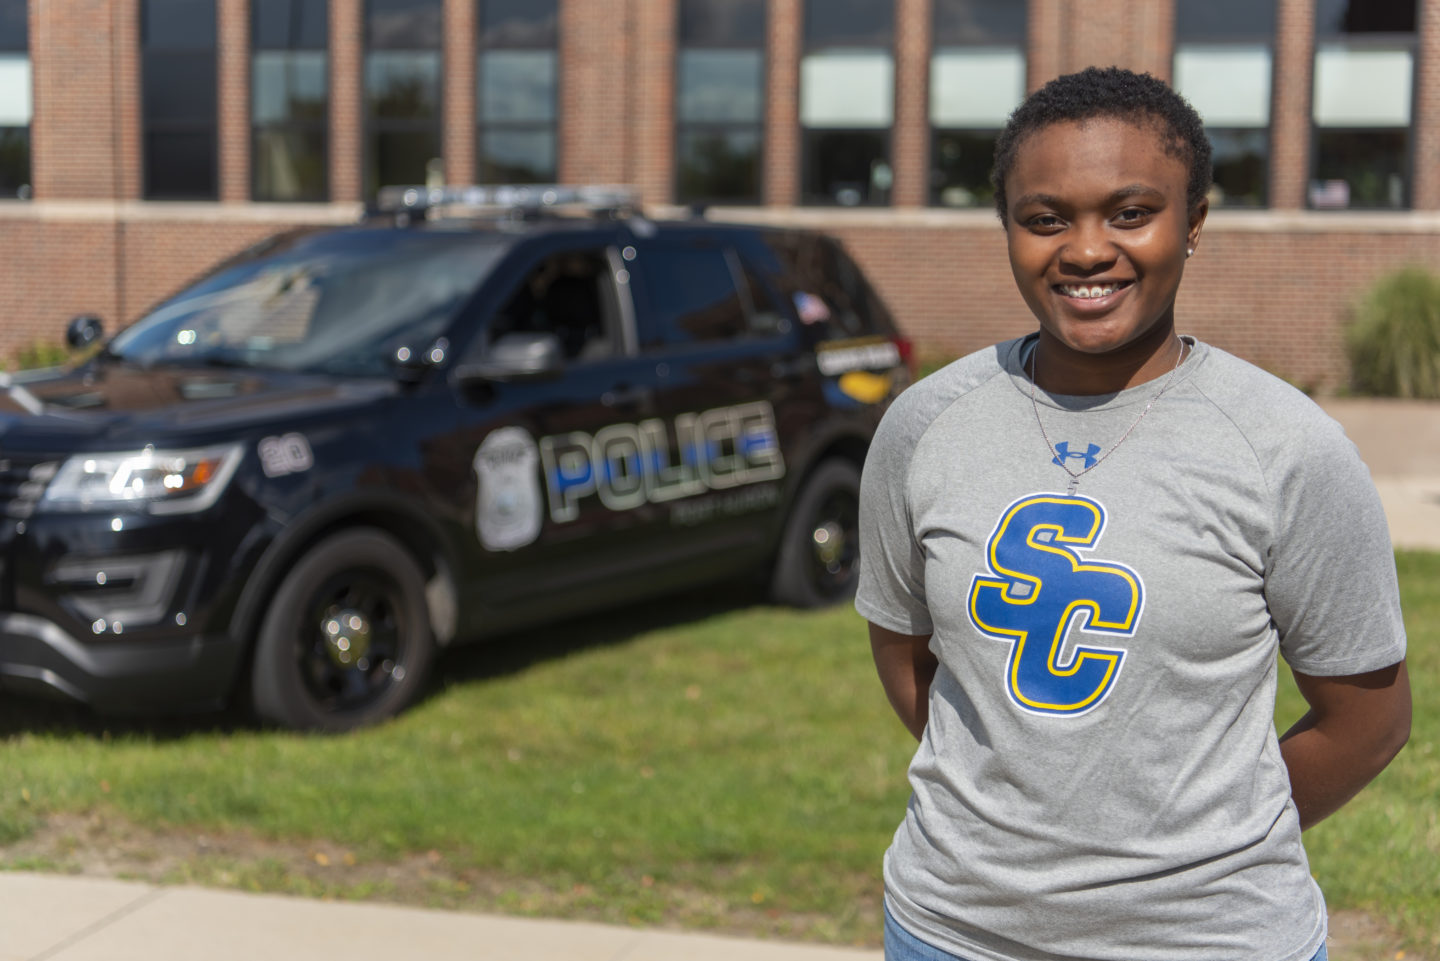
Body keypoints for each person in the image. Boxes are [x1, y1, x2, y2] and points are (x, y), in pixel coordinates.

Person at [856, 66, 1411, 961]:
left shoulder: (1287, 448)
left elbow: (1368, 720)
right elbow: (905, 650)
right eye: (1045, 218)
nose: (1084, 250)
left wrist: (1202, 846)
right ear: (1009, 229)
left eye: (1129, 212)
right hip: (951, 932)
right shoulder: (925, 423)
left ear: (1193, 224)